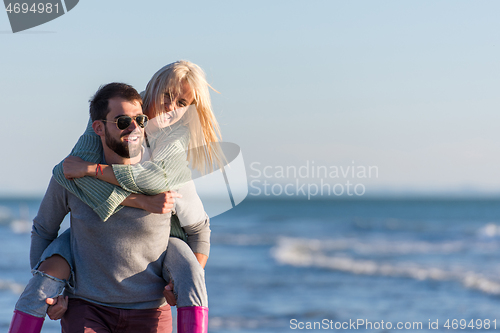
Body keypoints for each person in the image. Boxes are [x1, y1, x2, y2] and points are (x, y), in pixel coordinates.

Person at [9, 81, 214, 333]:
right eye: (121, 121)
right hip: (87, 308)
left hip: (150, 311)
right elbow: (43, 229)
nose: (134, 127)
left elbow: (199, 230)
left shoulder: (166, 177)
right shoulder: (72, 176)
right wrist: (51, 292)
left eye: (140, 119)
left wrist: (178, 284)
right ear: (98, 127)